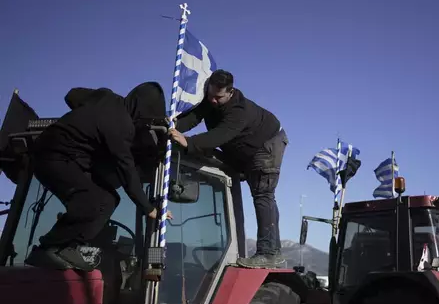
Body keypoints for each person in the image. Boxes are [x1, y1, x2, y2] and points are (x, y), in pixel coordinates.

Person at [25, 82, 172, 271]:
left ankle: (71, 245)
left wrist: (86, 116)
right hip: (53, 157)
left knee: (108, 199)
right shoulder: (122, 127)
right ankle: (48, 248)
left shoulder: (105, 96)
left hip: (63, 157)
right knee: (90, 200)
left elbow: (72, 95)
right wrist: (149, 209)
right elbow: (127, 172)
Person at [169, 69, 288, 268]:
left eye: (218, 97)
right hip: (242, 151)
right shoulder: (210, 100)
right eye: (210, 95)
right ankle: (272, 252)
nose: (213, 101)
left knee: (263, 194)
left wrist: (189, 142)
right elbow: (195, 117)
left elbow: (220, 135)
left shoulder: (239, 112)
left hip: (267, 145)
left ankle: (268, 253)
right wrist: (173, 126)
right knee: (263, 194)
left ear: (230, 92)